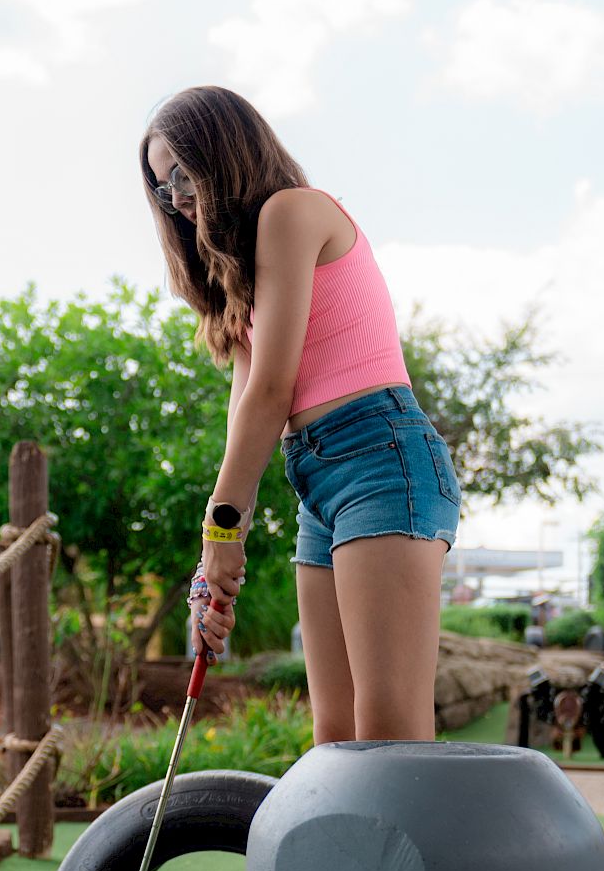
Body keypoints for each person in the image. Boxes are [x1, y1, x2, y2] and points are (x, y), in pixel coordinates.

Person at [141, 85, 461, 749]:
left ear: (223, 151)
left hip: (382, 458)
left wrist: (218, 533)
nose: (173, 195)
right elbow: (245, 412)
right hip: (317, 480)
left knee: (389, 734)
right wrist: (220, 561)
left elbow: (274, 390)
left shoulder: (293, 212)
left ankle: (430, 859)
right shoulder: (244, 280)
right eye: (160, 185)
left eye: (180, 172)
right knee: (336, 737)